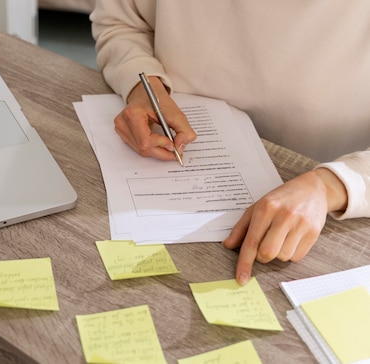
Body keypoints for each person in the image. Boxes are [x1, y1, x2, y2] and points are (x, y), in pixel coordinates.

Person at [90, 1, 370, 285]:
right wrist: (143, 86)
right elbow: (121, 22)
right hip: (166, 154)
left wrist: (332, 185)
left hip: (321, 192)